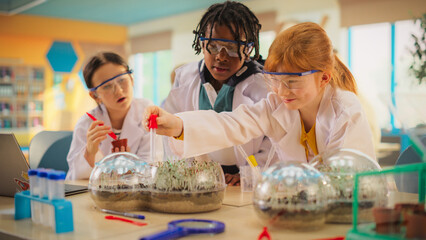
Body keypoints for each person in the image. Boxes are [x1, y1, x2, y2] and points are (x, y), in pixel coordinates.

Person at [144, 22, 376, 164]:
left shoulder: (346, 110)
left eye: (292, 81)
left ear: (324, 77)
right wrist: (178, 125)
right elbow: (232, 124)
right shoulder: (277, 104)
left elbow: (345, 176)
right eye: (274, 80)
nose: (281, 90)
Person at [162, 1, 276, 186]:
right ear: (202, 42)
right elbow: (172, 134)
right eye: (213, 46)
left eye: (232, 48)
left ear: (248, 49)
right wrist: (189, 171)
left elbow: (273, 142)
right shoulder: (185, 77)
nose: (221, 56)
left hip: (243, 179)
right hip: (199, 178)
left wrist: (249, 174)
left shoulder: (263, 84)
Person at [66, 52, 162, 180]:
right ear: (95, 96)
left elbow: (153, 168)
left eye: (122, 80)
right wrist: (90, 153)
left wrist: (131, 166)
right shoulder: (86, 124)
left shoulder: (147, 113)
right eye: (107, 86)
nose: (118, 90)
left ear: (131, 79)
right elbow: (75, 177)